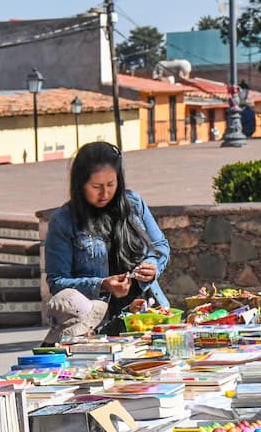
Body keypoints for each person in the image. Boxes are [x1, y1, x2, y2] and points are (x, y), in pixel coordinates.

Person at [43, 142, 170, 336]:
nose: (105, 193)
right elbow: (57, 281)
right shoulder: (63, 221)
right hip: (95, 326)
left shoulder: (134, 203)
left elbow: (160, 246)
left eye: (111, 184)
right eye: (96, 186)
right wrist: (102, 285)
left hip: (148, 316)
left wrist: (152, 265)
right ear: (80, 184)